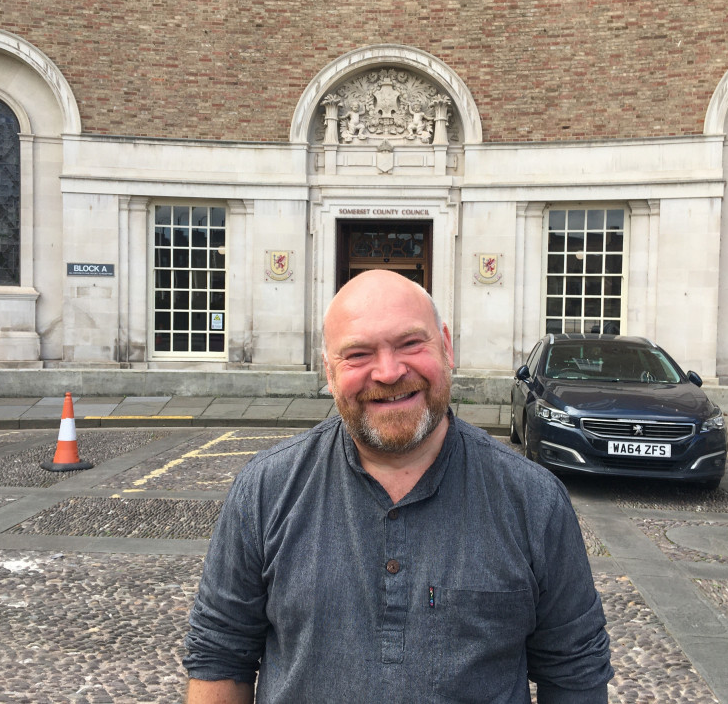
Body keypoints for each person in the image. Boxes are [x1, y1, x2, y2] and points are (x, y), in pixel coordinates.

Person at [183, 270, 613, 703]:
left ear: (446, 346)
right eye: (358, 354)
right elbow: (220, 656)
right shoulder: (264, 490)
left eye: (410, 343)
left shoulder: (534, 499)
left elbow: (575, 673)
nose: (388, 373)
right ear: (329, 372)